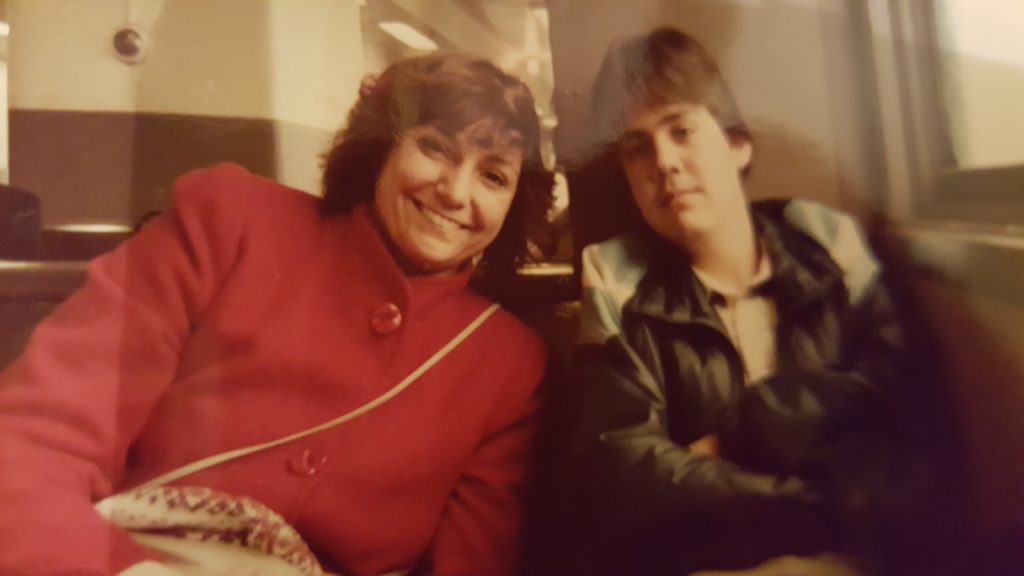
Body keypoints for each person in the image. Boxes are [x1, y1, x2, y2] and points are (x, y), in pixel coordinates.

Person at [0, 54, 554, 575]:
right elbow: (40, 439)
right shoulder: (229, 222)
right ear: (381, 145)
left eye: (493, 176)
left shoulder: (506, 362)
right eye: (435, 148)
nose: (456, 193)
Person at [564, 28, 908, 575]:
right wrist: (809, 505)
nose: (665, 162)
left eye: (682, 130)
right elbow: (621, 467)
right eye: (638, 149)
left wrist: (740, 434)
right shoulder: (618, 279)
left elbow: (897, 399)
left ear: (737, 142)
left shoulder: (829, 246)